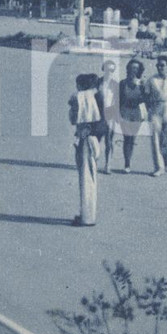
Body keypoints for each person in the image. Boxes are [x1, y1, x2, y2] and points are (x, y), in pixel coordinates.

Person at [68, 73, 101, 226]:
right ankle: (86, 215)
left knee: (86, 178)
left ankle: (87, 217)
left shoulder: (80, 97)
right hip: (93, 139)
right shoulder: (97, 97)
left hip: (85, 138)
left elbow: (73, 119)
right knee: (90, 177)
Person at [117, 59, 148, 174]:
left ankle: (128, 160)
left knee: (132, 138)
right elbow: (118, 99)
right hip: (125, 111)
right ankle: (127, 163)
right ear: (127, 69)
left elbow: (146, 99)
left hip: (137, 113)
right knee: (127, 138)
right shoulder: (122, 83)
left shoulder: (142, 84)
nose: (133, 70)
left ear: (139, 70)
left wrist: (142, 90)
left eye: (136, 68)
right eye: (131, 67)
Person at [95, 60, 119, 174]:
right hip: (98, 113)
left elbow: (118, 101)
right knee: (96, 140)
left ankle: (107, 165)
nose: (109, 72)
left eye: (112, 70)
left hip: (110, 113)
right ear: (103, 69)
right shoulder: (97, 82)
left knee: (109, 141)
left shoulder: (115, 84)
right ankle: (94, 162)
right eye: (107, 69)